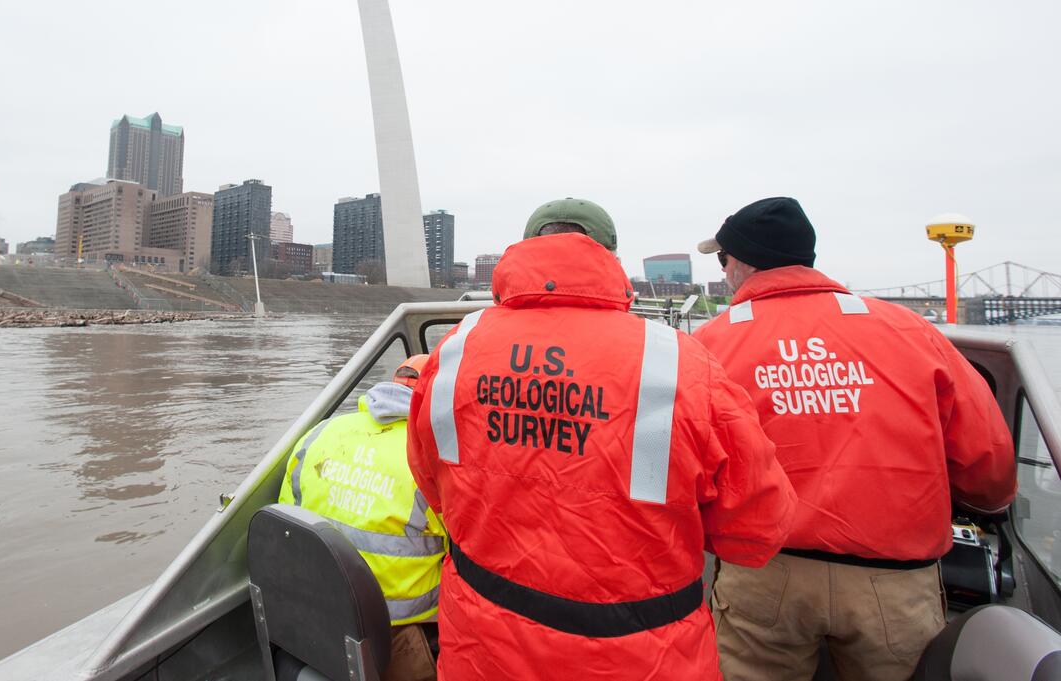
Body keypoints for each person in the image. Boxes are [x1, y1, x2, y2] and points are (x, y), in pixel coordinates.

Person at [405, 198, 797, 681]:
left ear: (526, 248)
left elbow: (430, 479)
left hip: (482, 642)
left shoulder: (456, 348)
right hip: (639, 657)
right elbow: (756, 530)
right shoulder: (680, 363)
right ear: (610, 257)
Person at [693, 196, 1017, 681]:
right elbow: (987, 458)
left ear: (742, 262)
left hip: (766, 574)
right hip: (895, 585)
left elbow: (687, 462)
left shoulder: (711, 344)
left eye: (722, 260)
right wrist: (987, 504)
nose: (722, 273)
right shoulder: (909, 331)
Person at [279, 354, 446, 681]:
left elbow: (289, 524)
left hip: (318, 618)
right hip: (400, 639)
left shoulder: (320, 434)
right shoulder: (435, 459)